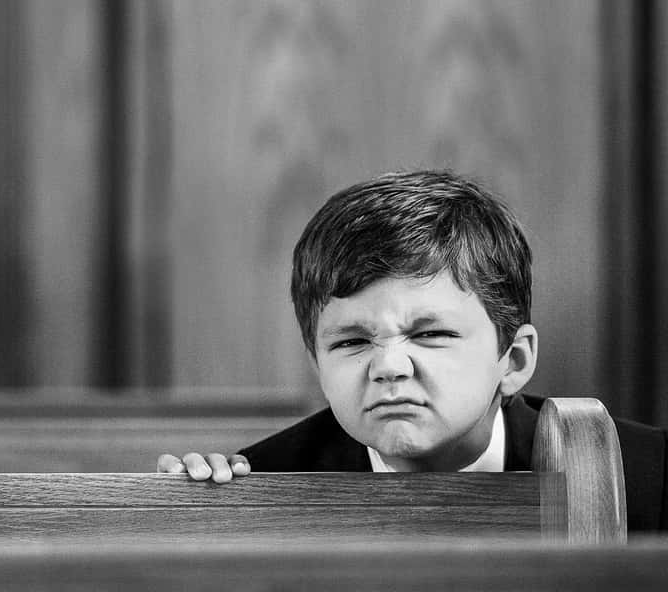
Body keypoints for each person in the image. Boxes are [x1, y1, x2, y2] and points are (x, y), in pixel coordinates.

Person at [157, 169, 667, 532]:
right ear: (319, 366)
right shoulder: (257, 490)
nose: (389, 367)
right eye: (353, 342)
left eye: (431, 335)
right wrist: (179, 514)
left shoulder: (653, 479)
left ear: (513, 361)